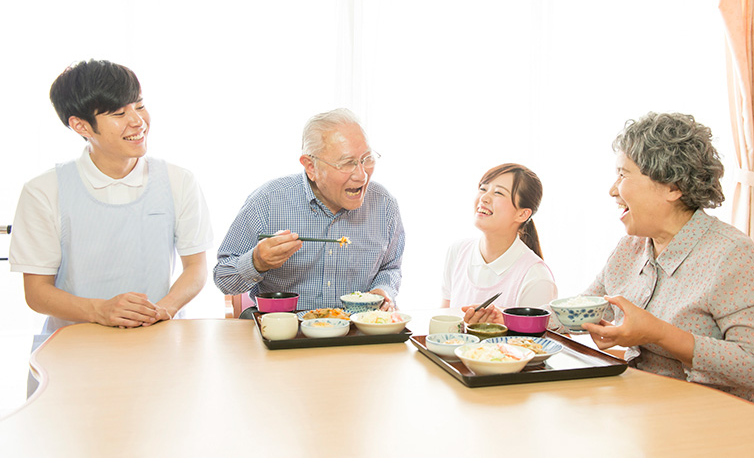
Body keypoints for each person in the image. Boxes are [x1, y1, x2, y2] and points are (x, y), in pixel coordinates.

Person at [569, 111, 754, 407]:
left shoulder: (731, 255)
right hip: (642, 412)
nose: (613, 189)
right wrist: (503, 320)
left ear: (673, 187)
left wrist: (659, 333)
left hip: (714, 423)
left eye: (623, 174)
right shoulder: (630, 248)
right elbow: (578, 310)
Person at [9, 60, 213, 357]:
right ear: (80, 125)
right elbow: (37, 292)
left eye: (139, 106)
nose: (138, 121)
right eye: (119, 113)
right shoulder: (43, 191)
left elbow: (196, 268)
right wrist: (99, 310)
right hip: (71, 352)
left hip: (157, 346)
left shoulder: (178, 180)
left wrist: (163, 310)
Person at [214, 108, 405, 312]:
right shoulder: (268, 201)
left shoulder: (384, 205)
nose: (361, 176)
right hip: (286, 332)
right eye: (347, 163)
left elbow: (390, 269)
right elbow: (224, 279)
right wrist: (257, 262)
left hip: (357, 330)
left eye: (367, 159)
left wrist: (382, 290)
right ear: (310, 166)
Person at [441, 163, 556, 324]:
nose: (484, 198)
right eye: (483, 189)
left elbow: (533, 346)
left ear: (523, 214)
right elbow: (443, 323)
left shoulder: (537, 278)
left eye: (498, 192)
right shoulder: (458, 251)